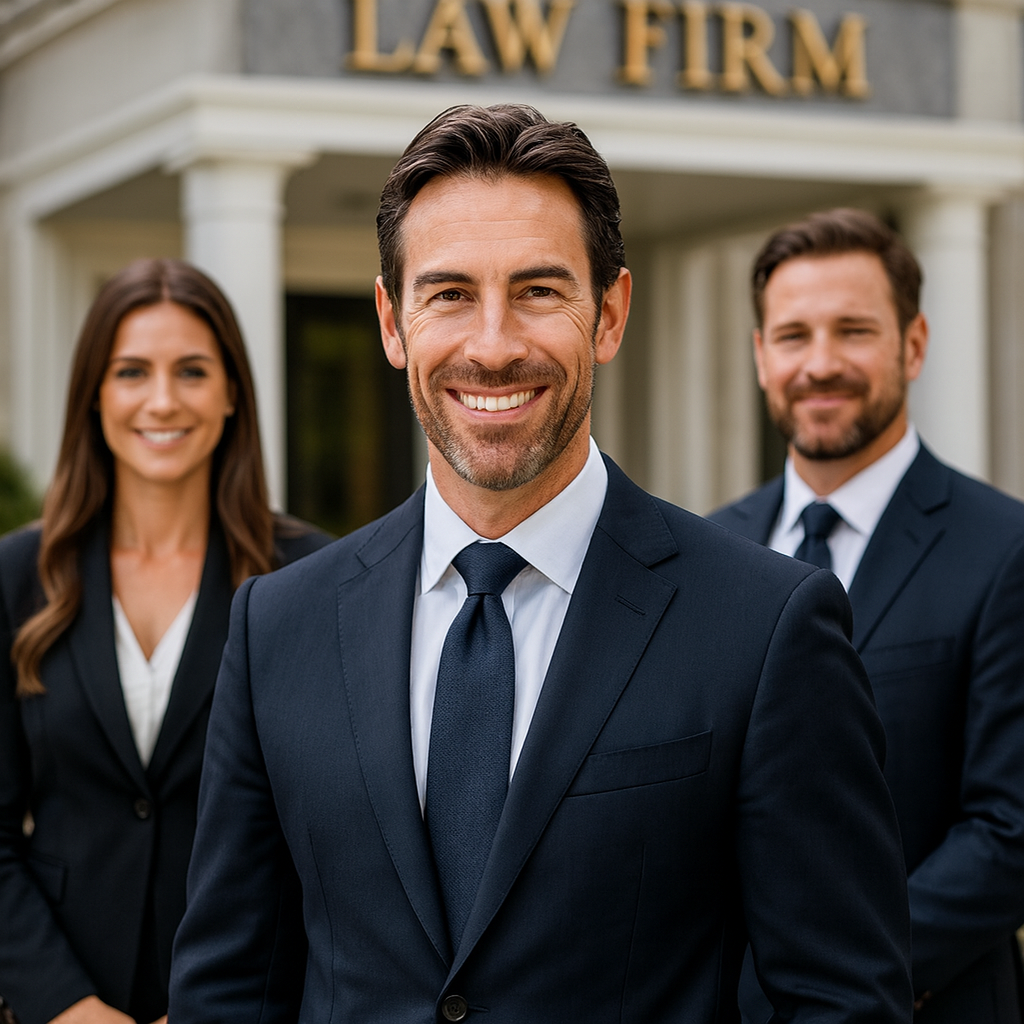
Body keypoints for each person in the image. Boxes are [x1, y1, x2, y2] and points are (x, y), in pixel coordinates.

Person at [168, 105, 913, 1023]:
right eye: (448, 293)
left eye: (537, 291)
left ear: (609, 313)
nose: (492, 345)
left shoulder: (766, 625)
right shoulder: (277, 626)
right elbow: (231, 990)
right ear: (391, 322)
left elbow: (840, 1001)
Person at [710, 207, 1024, 1024]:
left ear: (913, 345)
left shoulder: (1006, 549)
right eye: (792, 336)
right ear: (759, 356)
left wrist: (838, 978)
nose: (820, 365)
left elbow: (1010, 829)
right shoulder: (707, 553)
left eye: (852, 331)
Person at [0, 259, 329, 1024]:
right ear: (94, 394)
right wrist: (72, 1010)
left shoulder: (310, 578)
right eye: (130, 372)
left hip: (241, 1002)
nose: (161, 400)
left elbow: (325, 836)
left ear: (231, 393)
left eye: (191, 371)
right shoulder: (16, 577)